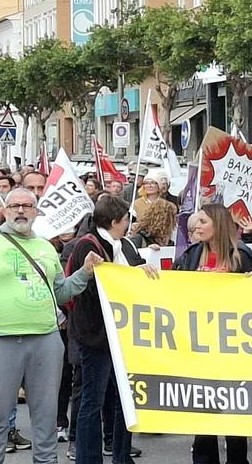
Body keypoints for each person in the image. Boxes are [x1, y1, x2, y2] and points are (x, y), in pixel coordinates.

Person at [0, 188, 105, 463]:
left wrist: (84, 273)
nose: (21, 210)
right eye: (14, 205)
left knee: (46, 416)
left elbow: (60, 292)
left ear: (37, 212)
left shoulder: (46, 247)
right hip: (0, 340)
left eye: (27, 205)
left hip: (45, 341)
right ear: (4, 210)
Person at [67, 195, 158, 464]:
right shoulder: (88, 245)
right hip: (96, 336)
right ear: (114, 221)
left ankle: (121, 454)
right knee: (92, 401)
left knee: (123, 402)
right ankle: (88, 457)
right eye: (126, 219)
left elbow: (129, 275)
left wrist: (138, 272)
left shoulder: (123, 245)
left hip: (122, 335)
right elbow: (91, 289)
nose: (130, 223)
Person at [173, 203, 252, 464]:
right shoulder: (193, 253)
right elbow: (172, 286)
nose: (197, 226)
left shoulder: (240, 255)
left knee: (233, 414)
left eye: (203, 222)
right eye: (197, 222)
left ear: (218, 225)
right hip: (201, 345)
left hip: (233, 346)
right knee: (204, 412)